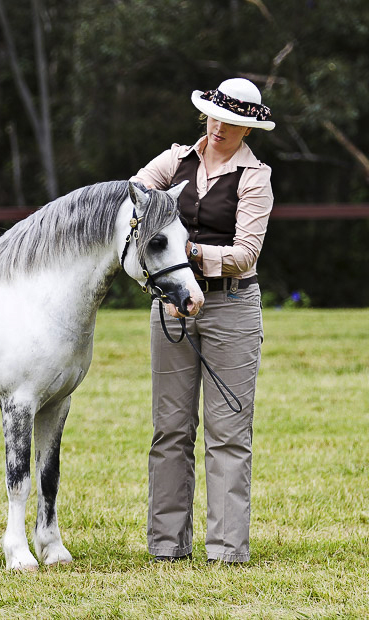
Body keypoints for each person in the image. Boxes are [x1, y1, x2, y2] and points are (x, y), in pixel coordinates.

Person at [130, 77, 274, 564]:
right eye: (216, 117)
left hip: (230, 306)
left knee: (228, 432)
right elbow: (131, 196)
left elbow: (244, 254)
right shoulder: (174, 161)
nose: (219, 128)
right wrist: (164, 273)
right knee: (170, 429)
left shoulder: (255, 177)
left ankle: (227, 550)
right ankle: (166, 547)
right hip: (171, 302)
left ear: (247, 130)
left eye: (232, 123)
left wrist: (187, 253)